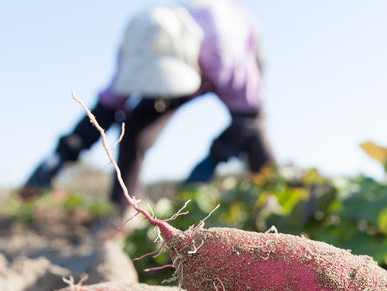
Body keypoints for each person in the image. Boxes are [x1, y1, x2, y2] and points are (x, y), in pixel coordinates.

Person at [21, 0, 276, 210]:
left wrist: (212, 160)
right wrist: (56, 160)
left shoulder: (227, 56)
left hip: (223, 54)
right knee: (133, 131)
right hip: (182, 58)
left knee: (254, 135)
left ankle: (275, 201)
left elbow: (249, 114)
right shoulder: (138, 45)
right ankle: (123, 210)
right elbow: (105, 110)